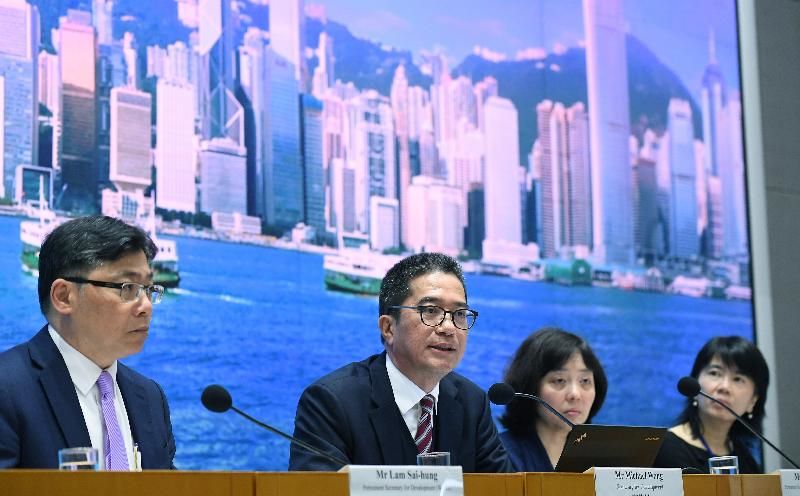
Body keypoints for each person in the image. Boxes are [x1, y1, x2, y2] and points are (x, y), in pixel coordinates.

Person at [289, 252, 512, 472]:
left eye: (460, 313)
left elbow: (504, 488)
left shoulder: (472, 403)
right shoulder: (331, 402)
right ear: (388, 328)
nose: (448, 328)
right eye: (431, 311)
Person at [0, 216, 176, 469]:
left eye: (148, 289)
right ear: (64, 296)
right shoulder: (8, 390)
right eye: (127, 288)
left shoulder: (150, 398)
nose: (146, 306)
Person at [653, 336, 769, 473]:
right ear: (695, 385)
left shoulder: (745, 459)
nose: (724, 387)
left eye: (738, 379)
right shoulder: (666, 448)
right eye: (715, 373)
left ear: (753, 401)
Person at [498, 327, 607, 472]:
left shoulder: (605, 457)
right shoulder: (500, 456)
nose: (575, 394)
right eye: (559, 380)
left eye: (585, 381)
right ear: (530, 387)